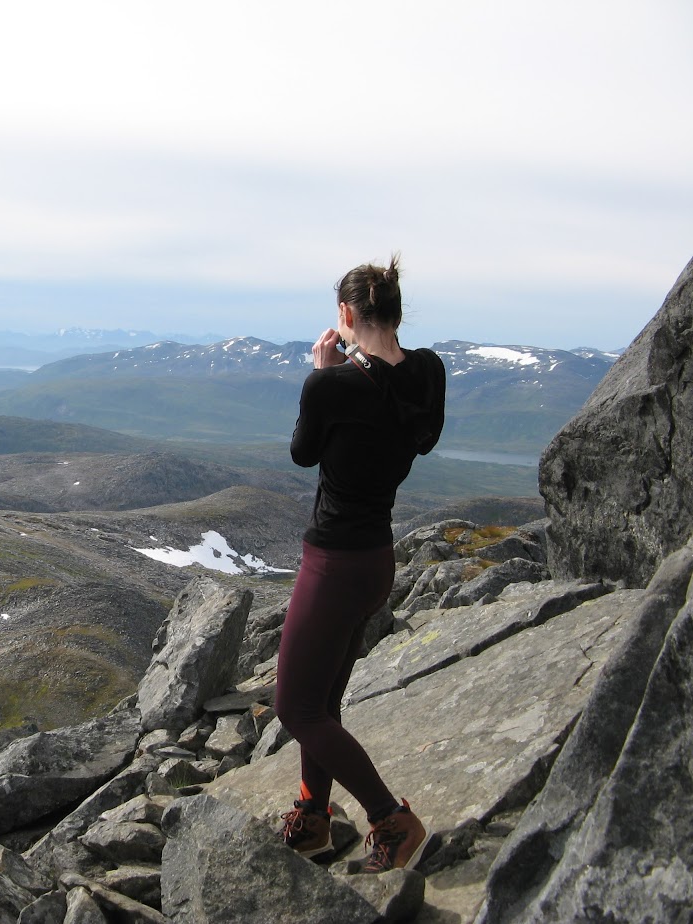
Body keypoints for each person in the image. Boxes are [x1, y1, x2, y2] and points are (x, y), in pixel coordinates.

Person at [273, 254, 446, 873]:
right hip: (376, 560)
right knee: (324, 704)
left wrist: (325, 372)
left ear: (346, 314)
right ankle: (314, 818)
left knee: (296, 708)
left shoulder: (333, 383)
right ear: (395, 311)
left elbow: (302, 453)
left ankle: (388, 820)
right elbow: (420, 437)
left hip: (334, 564)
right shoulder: (428, 373)